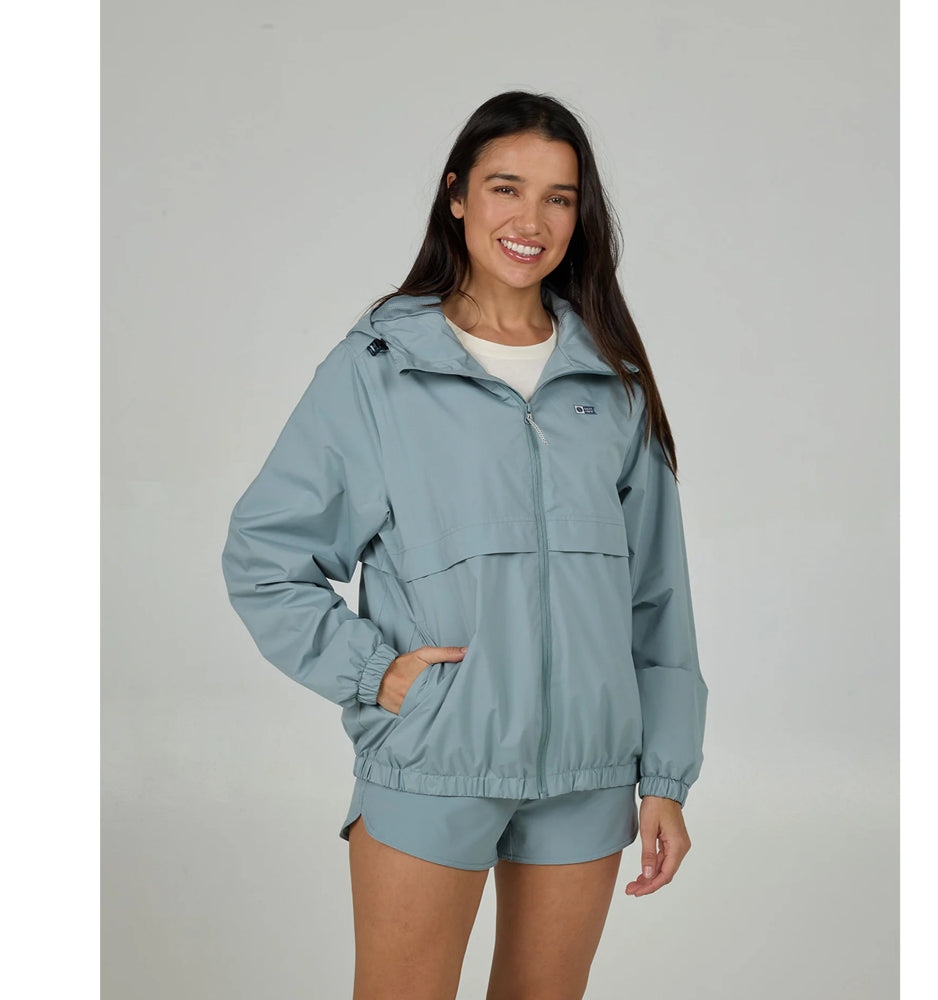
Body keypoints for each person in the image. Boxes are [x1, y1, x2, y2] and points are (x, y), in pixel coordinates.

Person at [221, 90, 709, 1000]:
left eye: (559, 198)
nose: (532, 221)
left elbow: (657, 599)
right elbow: (265, 556)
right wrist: (377, 674)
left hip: (588, 778)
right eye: (505, 188)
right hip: (436, 761)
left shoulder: (610, 382)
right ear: (456, 196)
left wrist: (666, 779)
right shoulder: (380, 368)